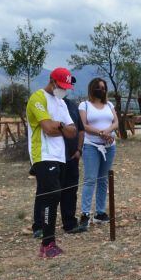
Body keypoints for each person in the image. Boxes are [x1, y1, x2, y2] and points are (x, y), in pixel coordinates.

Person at [26, 67, 78, 258]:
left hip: (59, 154)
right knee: (51, 195)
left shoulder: (61, 103)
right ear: (52, 81)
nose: (63, 89)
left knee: (57, 196)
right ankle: (47, 243)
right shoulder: (38, 98)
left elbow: (72, 131)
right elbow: (47, 128)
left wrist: (61, 126)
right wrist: (60, 126)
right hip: (43, 154)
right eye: (61, 85)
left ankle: (50, 241)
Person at [78, 77, 119, 228]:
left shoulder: (109, 104)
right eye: (98, 88)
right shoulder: (85, 105)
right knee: (90, 179)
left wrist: (107, 132)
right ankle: (85, 213)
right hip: (91, 145)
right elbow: (83, 124)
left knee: (103, 179)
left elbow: (115, 122)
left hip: (109, 146)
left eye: (103, 88)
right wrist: (101, 133)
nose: (101, 90)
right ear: (92, 89)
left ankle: (100, 212)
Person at [60, 91, 87, 234]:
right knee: (49, 193)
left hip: (72, 157)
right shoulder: (46, 104)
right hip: (54, 158)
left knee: (70, 191)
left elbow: (81, 130)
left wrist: (79, 150)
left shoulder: (72, 105)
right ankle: (41, 227)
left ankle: (70, 224)